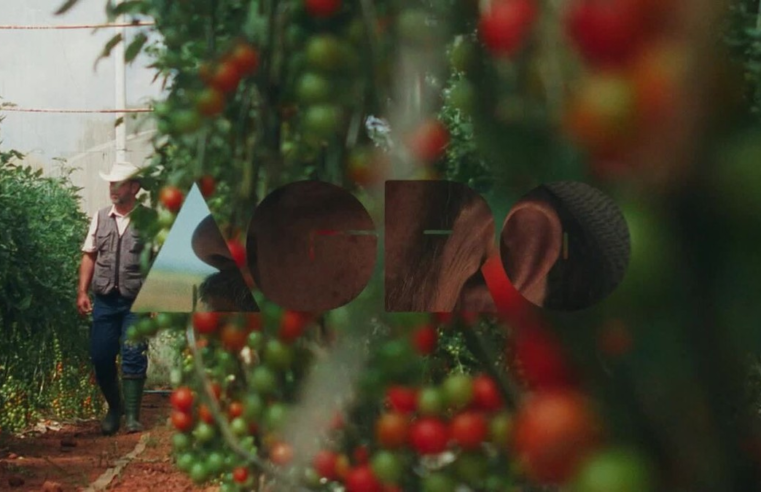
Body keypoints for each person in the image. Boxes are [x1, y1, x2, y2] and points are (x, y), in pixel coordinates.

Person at [76, 161, 149, 435]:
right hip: (105, 298)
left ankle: (132, 417)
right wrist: (82, 291)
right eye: (110, 184)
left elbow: (158, 261)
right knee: (101, 356)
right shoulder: (100, 216)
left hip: (137, 299)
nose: (112, 189)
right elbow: (89, 255)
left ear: (134, 187)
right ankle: (115, 407)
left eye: (118, 184)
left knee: (133, 354)